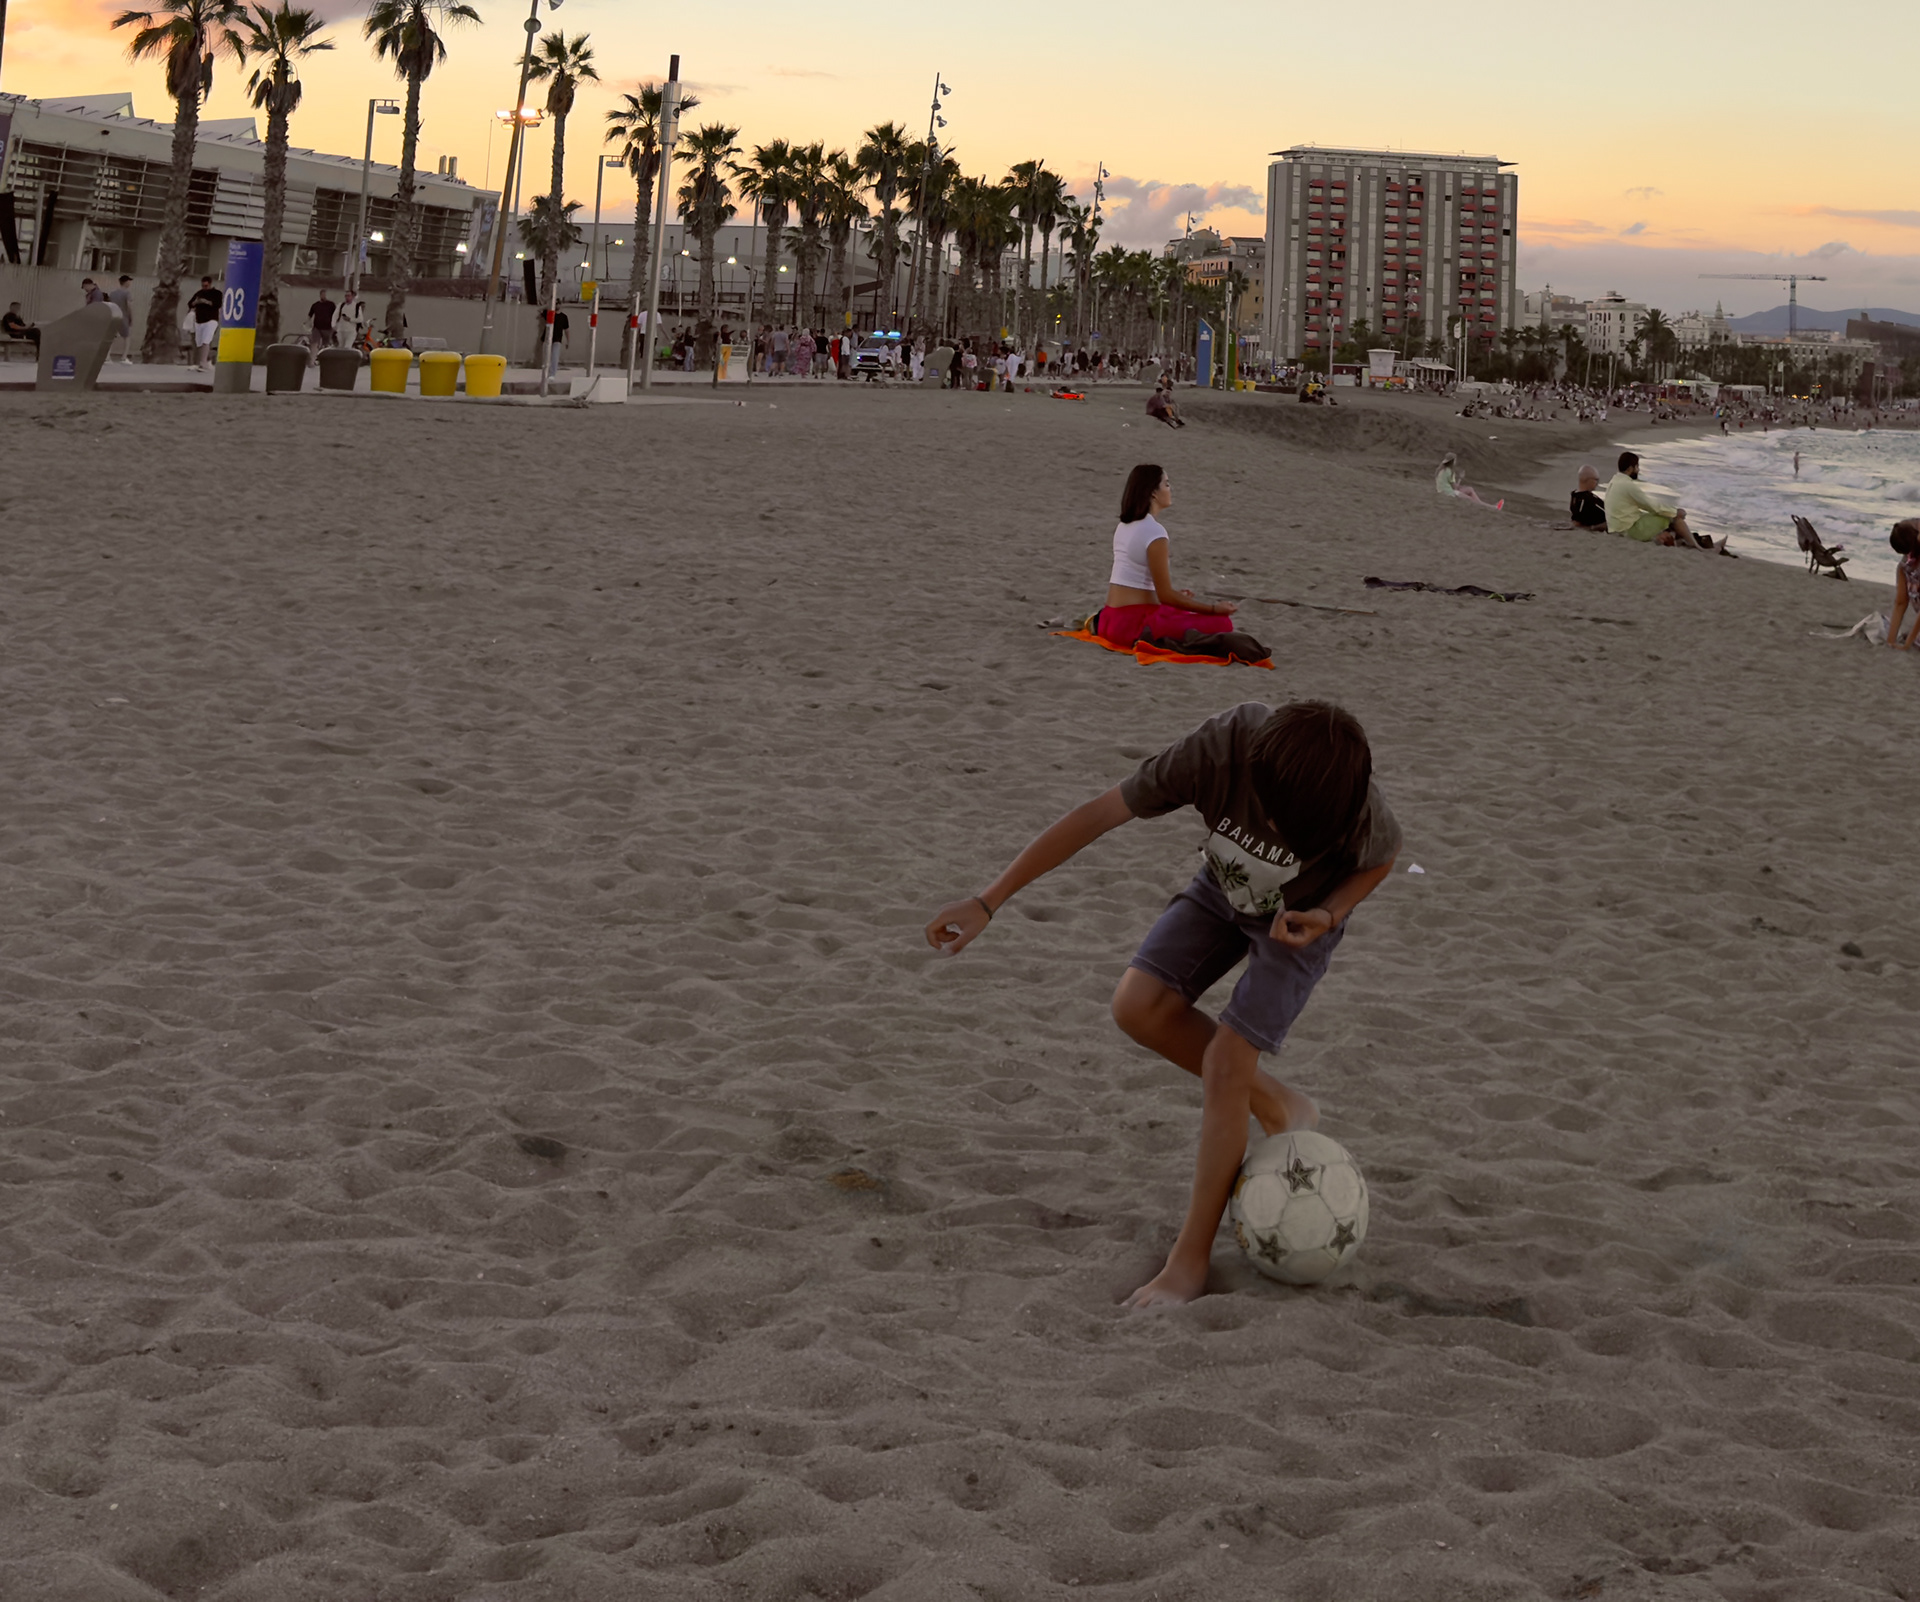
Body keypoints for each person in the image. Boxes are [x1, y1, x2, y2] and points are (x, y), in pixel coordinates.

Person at [923, 700, 1400, 1307]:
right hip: (1222, 889)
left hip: (1296, 921)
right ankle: (1278, 1100)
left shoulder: (1358, 804)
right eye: (1274, 820)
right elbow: (1099, 813)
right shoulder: (1220, 748)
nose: (1278, 834)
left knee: (1229, 1063)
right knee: (1136, 1006)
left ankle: (1189, 1262)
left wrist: (1329, 913)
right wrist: (988, 900)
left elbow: (1381, 859)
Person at [1094, 465, 1235, 647]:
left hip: (1109, 620)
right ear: (1153, 492)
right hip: (1132, 626)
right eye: (1166, 484)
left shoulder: (1124, 526)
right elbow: (1165, 596)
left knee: (1179, 610)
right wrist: (1214, 609)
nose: (1170, 489)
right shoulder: (1154, 532)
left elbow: (1137, 583)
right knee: (1223, 623)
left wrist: (1179, 598)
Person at [1605, 450, 1701, 547]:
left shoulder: (1614, 481)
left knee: (1660, 515)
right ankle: (1697, 547)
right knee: (1673, 518)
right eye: (1637, 467)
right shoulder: (1627, 485)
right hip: (1628, 530)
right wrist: (1675, 512)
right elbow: (1651, 506)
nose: (1638, 470)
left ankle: (1677, 541)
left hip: (1616, 528)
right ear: (1630, 468)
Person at [1888, 521, 1920, 651]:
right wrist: (1891, 641)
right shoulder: (1903, 566)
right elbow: (1900, 602)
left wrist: (1907, 643)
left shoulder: (1904, 565)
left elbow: (1900, 603)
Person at [1435, 453, 1501, 508]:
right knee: (1471, 499)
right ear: (1452, 461)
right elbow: (1455, 488)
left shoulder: (1441, 470)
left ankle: (1491, 506)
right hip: (1449, 493)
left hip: (1443, 491)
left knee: (1470, 489)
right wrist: (1460, 478)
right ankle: (1492, 507)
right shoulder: (1450, 472)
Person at [188, 276, 221, 369]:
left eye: (206, 286)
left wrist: (206, 302)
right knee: (199, 342)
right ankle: (202, 361)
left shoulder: (216, 293)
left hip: (211, 320)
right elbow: (190, 303)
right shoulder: (199, 293)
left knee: (206, 340)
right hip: (199, 320)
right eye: (203, 286)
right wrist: (196, 302)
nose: (204, 288)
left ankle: (203, 362)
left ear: (210, 284)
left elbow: (218, 304)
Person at [1568, 465, 1607, 529]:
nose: (1597, 483)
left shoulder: (1575, 496)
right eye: (1596, 480)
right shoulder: (1586, 499)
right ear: (1588, 480)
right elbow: (1577, 522)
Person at [108, 275, 135, 362]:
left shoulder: (113, 293)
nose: (130, 283)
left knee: (111, 337)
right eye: (129, 281)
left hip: (114, 316)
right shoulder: (127, 293)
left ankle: (107, 356)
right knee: (127, 337)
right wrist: (131, 317)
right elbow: (129, 306)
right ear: (126, 282)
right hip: (123, 317)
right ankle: (124, 357)